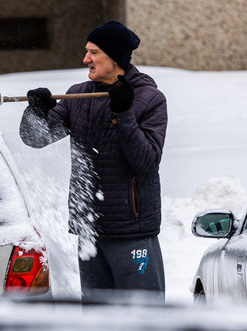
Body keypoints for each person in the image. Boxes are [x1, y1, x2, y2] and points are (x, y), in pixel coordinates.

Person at [19, 21, 167, 303]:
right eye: (87, 51)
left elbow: (146, 160)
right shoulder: (78, 95)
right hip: (89, 230)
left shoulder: (150, 99)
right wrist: (35, 112)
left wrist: (123, 114)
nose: (86, 59)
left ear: (115, 57)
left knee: (144, 321)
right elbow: (36, 138)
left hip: (132, 231)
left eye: (94, 52)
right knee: (97, 320)